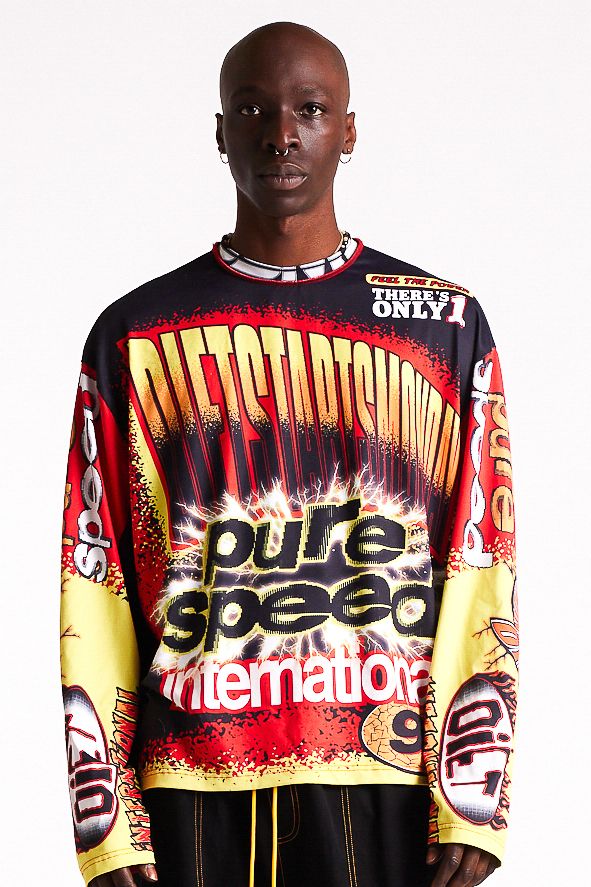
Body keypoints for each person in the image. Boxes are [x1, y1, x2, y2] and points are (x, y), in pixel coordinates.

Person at [60, 20, 519, 887]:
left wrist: (473, 792)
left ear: (348, 131)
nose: (280, 133)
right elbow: (94, 574)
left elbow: (479, 558)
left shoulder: (445, 323)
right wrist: (103, 808)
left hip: (382, 768)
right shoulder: (132, 333)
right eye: (252, 109)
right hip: (191, 772)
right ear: (219, 131)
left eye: (309, 109)